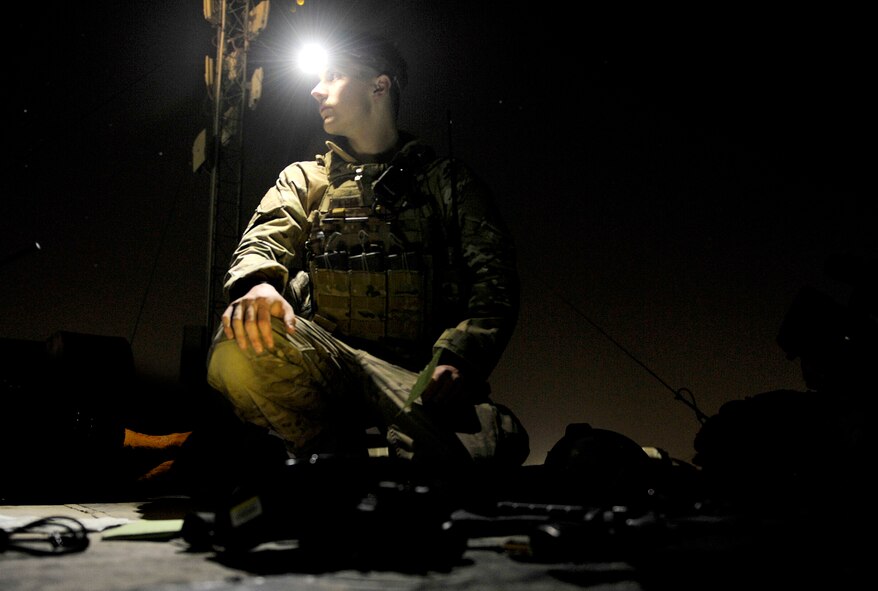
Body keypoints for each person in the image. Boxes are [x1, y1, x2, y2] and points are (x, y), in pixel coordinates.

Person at [205, 29, 528, 475]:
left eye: (334, 76)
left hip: (415, 374)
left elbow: (494, 282)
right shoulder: (305, 179)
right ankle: (331, 460)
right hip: (325, 360)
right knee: (238, 347)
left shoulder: (446, 183)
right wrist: (258, 285)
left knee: (479, 461)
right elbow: (263, 240)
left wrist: (461, 359)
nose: (317, 89)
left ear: (380, 84)